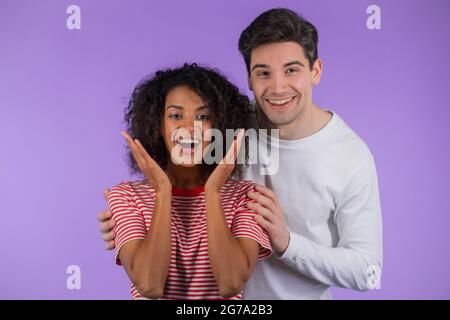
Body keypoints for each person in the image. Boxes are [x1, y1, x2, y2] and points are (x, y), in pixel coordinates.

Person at [98, 8, 383, 299]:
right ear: (249, 78)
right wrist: (132, 221)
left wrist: (288, 244)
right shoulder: (230, 126)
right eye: (263, 73)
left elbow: (366, 270)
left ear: (316, 71)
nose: (278, 87)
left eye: (292, 70)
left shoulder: (351, 157)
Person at [106, 63, 271, 300]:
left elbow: (231, 283)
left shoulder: (246, 196)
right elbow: (149, 286)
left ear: (219, 127)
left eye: (203, 116)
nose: (189, 128)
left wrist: (212, 192)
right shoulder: (126, 196)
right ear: (158, 126)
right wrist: (163, 191)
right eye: (175, 116)